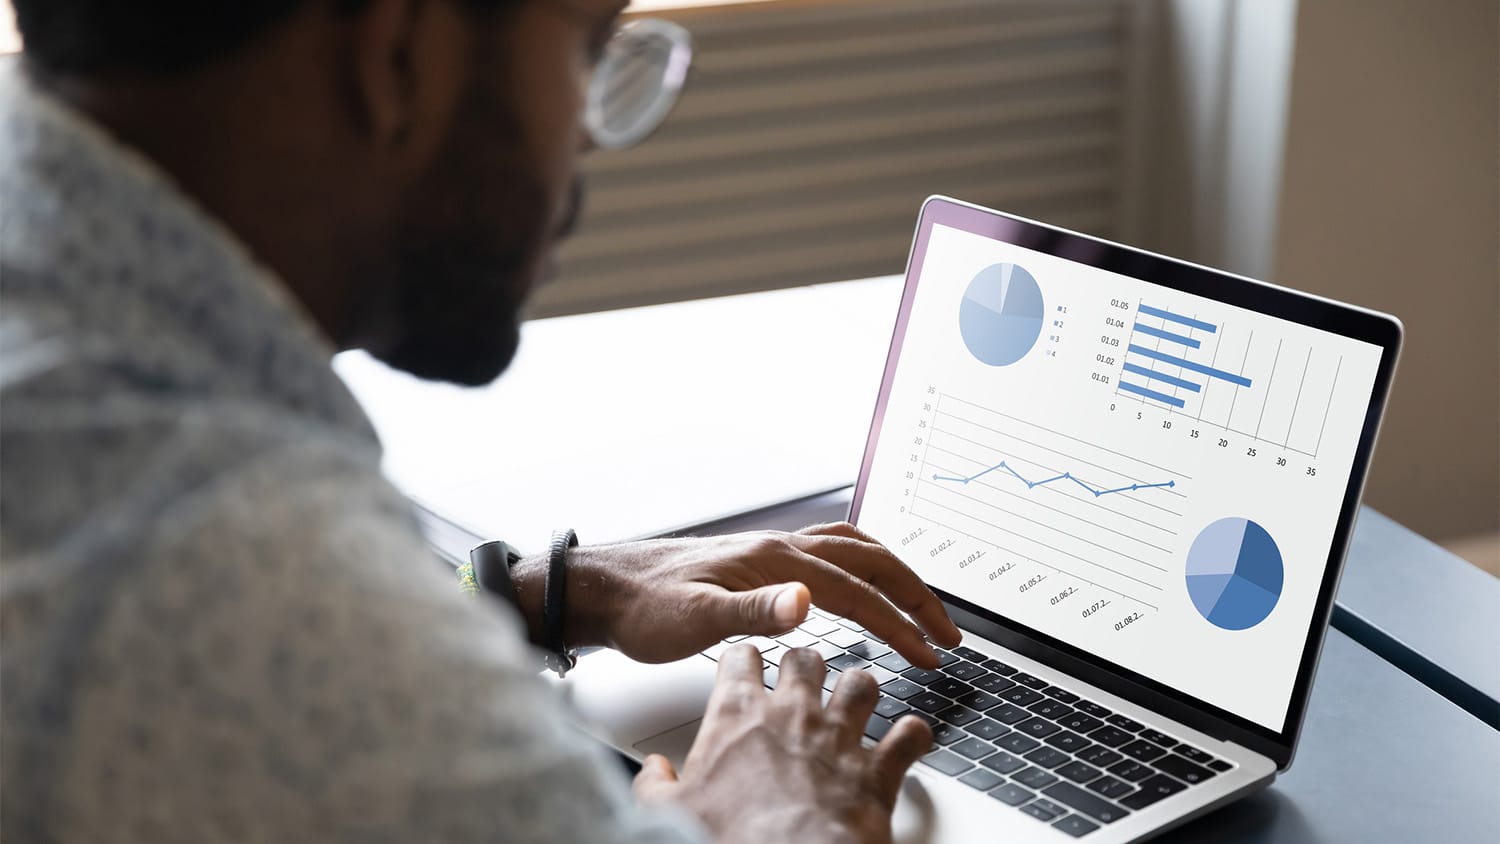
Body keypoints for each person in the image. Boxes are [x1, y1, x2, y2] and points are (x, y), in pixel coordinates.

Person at [0, 1, 967, 841]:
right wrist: (776, 826)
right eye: (588, 44)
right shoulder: (230, 555)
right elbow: (264, 626)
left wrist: (531, 593)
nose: (590, 133)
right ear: (396, 54)